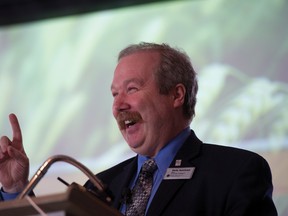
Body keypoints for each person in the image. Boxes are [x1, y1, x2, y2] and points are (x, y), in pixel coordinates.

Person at [0, 42, 277, 215]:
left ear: (176, 95)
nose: (118, 105)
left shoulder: (236, 172)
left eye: (132, 89)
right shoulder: (98, 188)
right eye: (113, 94)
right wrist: (16, 189)